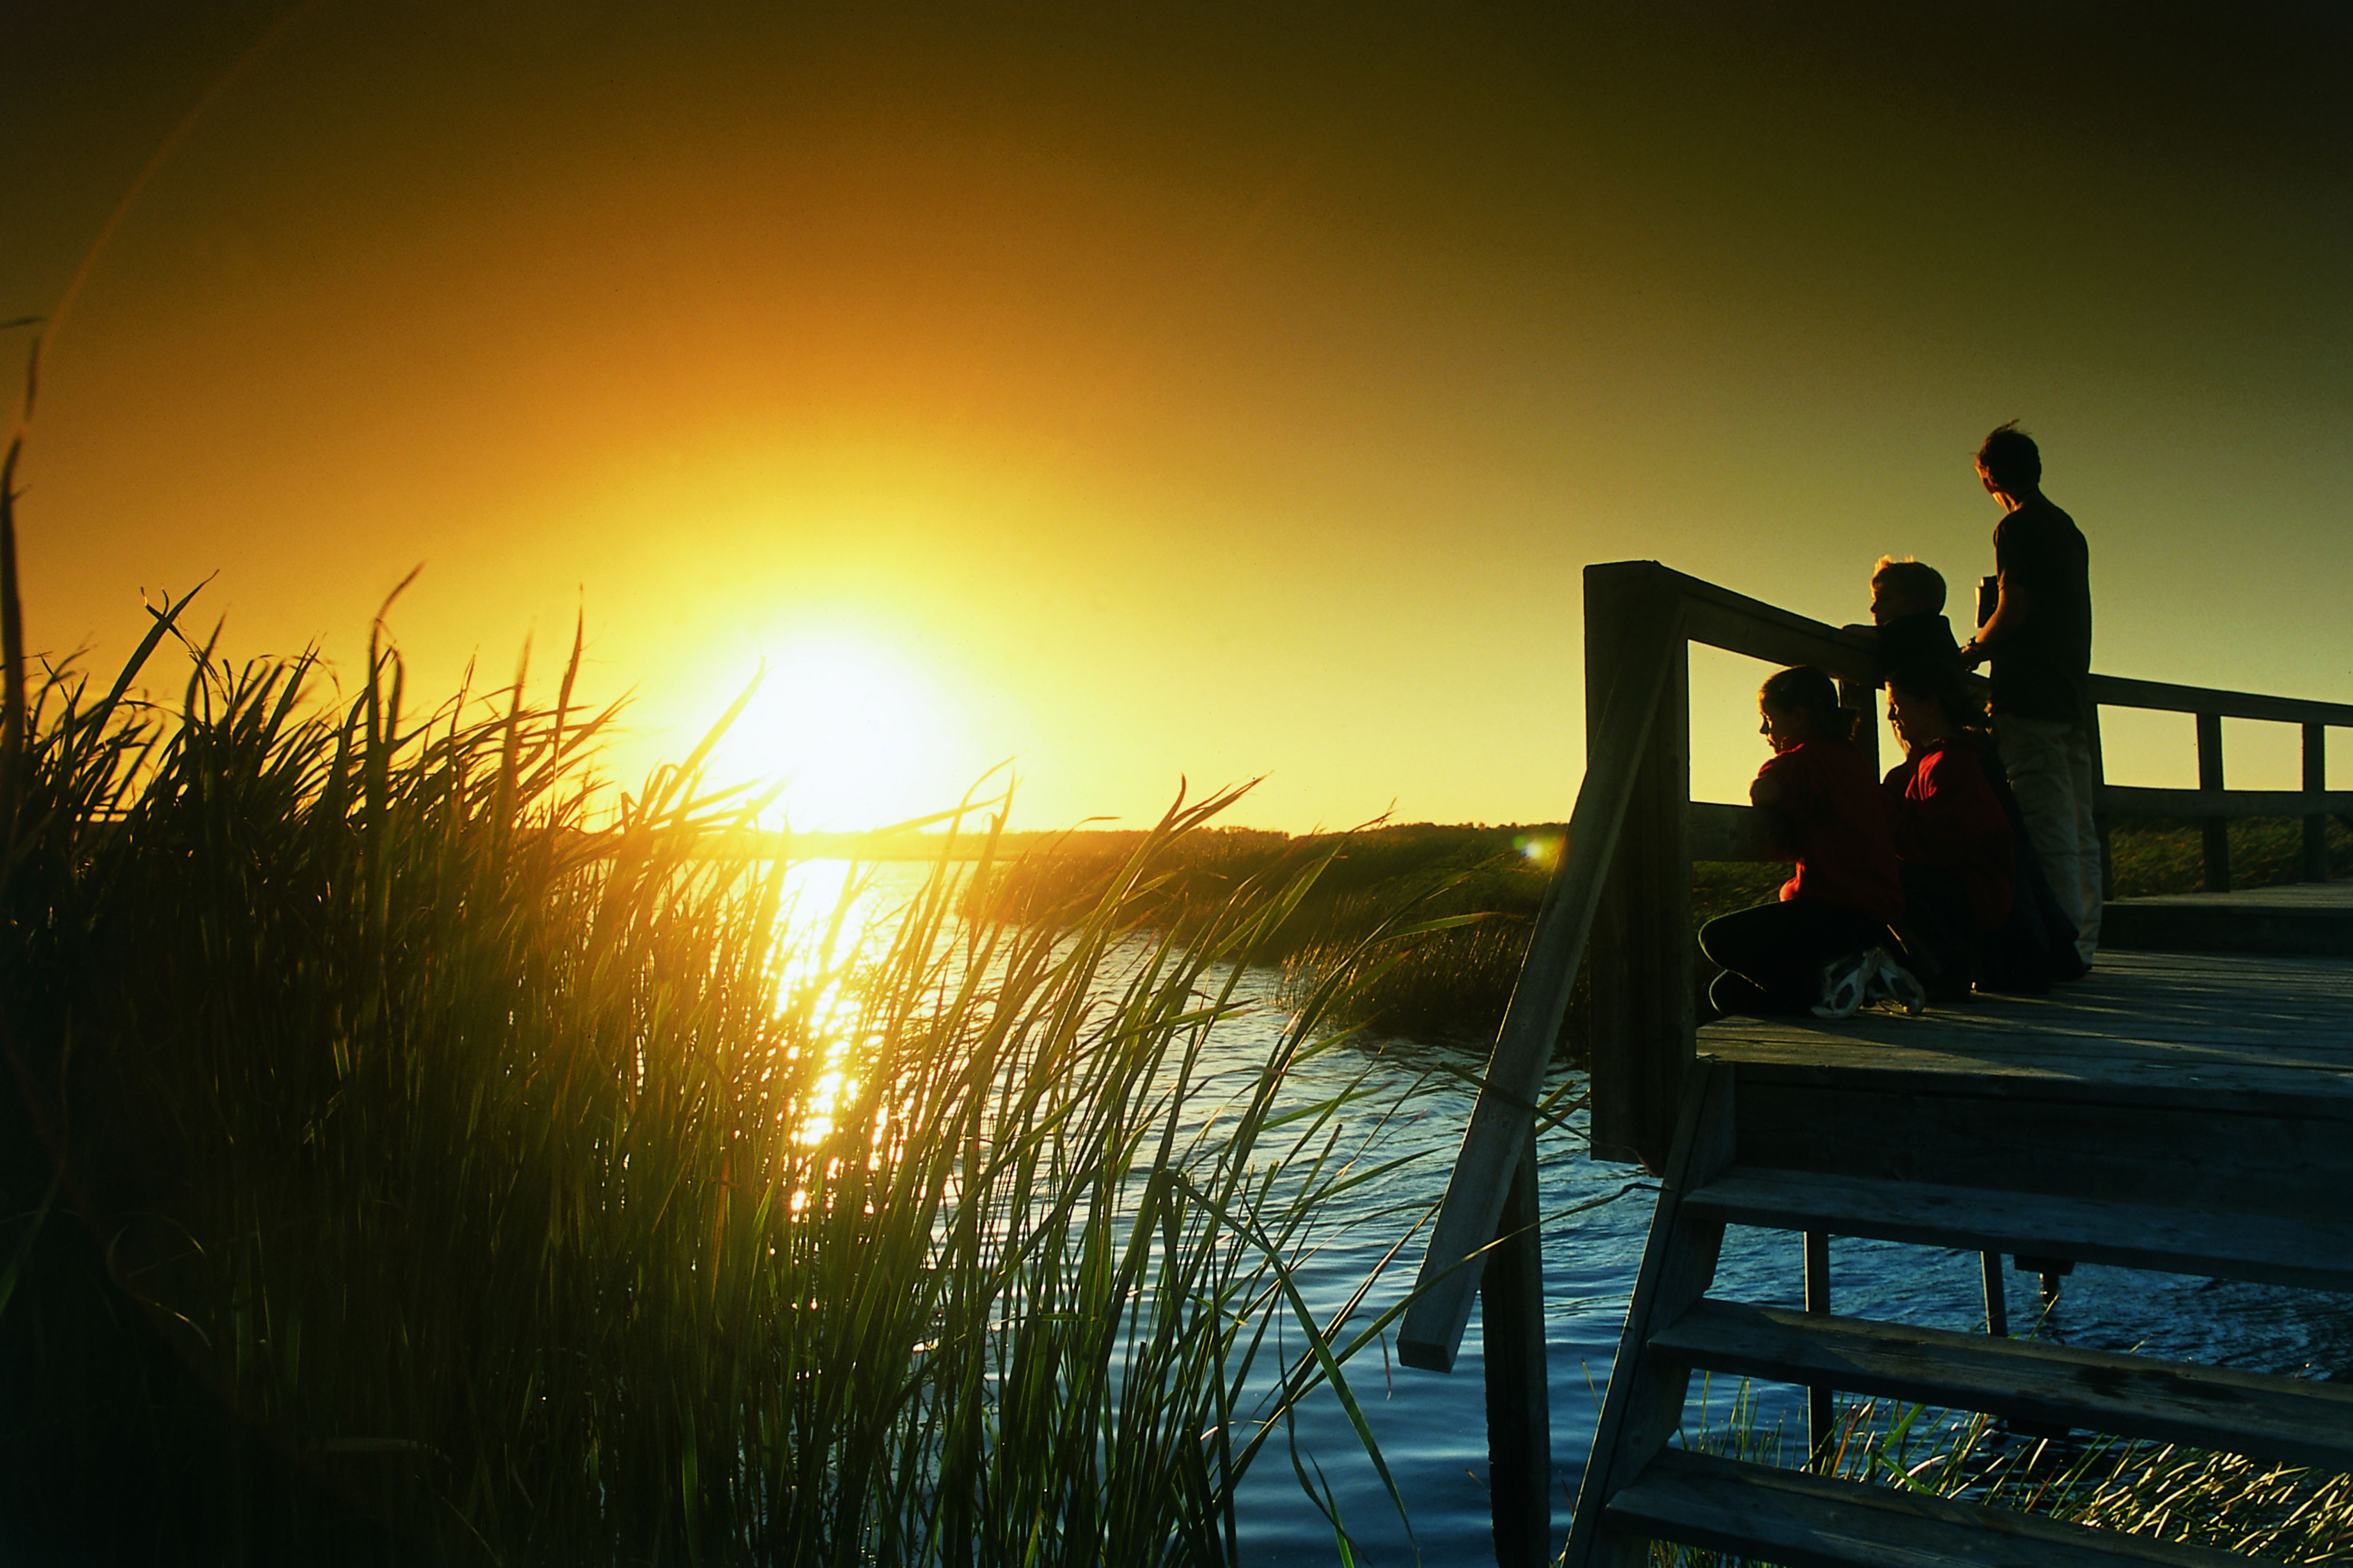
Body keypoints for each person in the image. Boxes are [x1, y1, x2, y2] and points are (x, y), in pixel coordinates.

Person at [1958, 422, 2099, 967]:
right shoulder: (2067, 528)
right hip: (2068, 694)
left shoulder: (2015, 527)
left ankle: (2060, 949)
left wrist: (1974, 647)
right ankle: (2083, 944)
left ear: (1991, 473)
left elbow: (2014, 605)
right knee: (2081, 829)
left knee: (2048, 830)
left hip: (2028, 696)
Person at [1701, 666, 1918, 1018]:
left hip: (1833, 910)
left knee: (1716, 938)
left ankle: (1831, 983)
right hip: (1874, 918)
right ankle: (1851, 983)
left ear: (1799, 718)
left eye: (1769, 719)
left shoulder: (1803, 761)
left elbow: (1766, 792)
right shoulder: (1852, 760)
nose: (1763, 730)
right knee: (1724, 990)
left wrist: (1769, 782)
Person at [1882, 661, 2014, 1000]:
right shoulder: (1940, 759)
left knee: (1888, 877)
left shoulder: (1949, 765)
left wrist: (1883, 818)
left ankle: (1945, 969)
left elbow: (1937, 848)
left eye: (1897, 706)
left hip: (1974, 893)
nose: (1891, 717)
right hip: (1974, 889)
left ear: (1930, 704)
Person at [1870, 557, 1968, 691]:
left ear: (1916, 605)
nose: (1874, 609)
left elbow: (1861, 635)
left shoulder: (1917, 627)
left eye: (1885, 600)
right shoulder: (1939, 633)